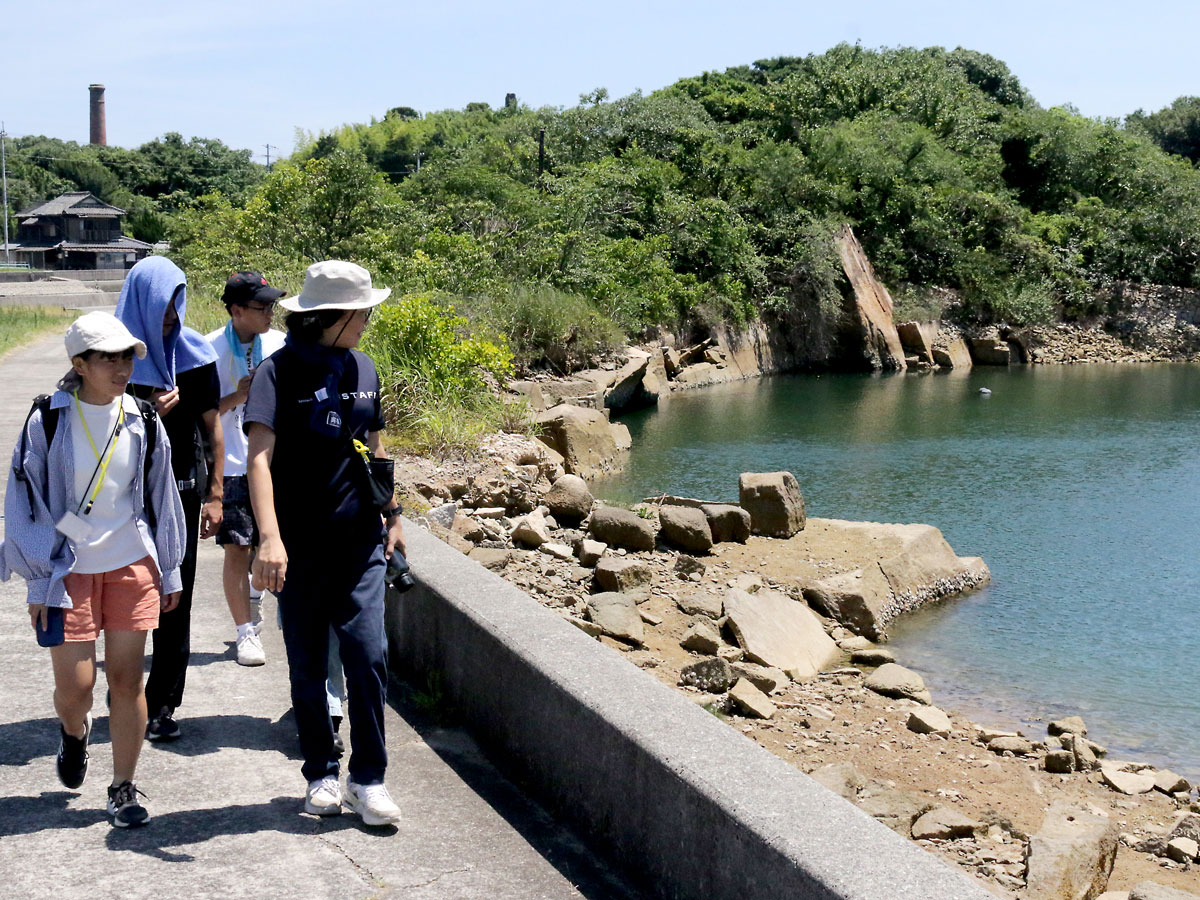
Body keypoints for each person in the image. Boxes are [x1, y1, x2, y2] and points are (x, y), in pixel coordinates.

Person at [0, 312, 187, 827]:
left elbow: (161, 497)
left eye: (126, 356)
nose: (121, 366)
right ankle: (74, 733)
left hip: (131, 563)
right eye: (108, 357)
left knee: (127, 681)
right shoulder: (48, 420)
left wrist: (168, 568)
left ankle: (123, 787)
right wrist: (40, 577)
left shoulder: (145, 419)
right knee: (77, 689)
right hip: (68, 571)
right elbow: (26, 501)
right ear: (79, 364)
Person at [245, 260, 405, 826]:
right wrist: (269, 538)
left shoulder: (364, 365)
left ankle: (369, 779)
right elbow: (258, 459)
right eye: (363, 312)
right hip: (298, 547)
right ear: (334, 316)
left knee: (368, 656)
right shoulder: (277, 372)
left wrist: (393, 512)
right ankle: (320, 772)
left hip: (360, 540)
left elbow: (374, 445)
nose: (368, 320)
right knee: (308, 663)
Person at [115, 256, 224, 741]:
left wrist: (216, 493)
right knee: (123, 599)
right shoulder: (110, 354)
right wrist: (138, 409)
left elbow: (214, 432)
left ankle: (162, 704)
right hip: (119, 501)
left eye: (176, 305)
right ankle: (123, 695)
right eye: (162, 305)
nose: (170, 317)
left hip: (179, 494)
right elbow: (83, 420)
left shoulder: (195, 356)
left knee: (175, 599)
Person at [205, 272, 286, 666]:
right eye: (262, 306)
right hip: (233, 461)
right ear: (236, 311)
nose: (271, 312)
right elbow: (201, 417)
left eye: (272, 305)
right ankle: (245, 633)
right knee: (236, 547)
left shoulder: (281, 345)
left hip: (274, 460)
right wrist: (238, 395)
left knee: (268, 543)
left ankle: (255, 596)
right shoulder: (207, 350)